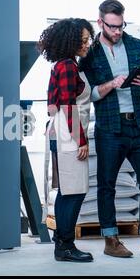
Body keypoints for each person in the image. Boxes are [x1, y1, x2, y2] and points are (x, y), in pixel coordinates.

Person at [79, 0, 140, 258]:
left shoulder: (137, 46)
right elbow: (88, 94)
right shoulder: (90, 53)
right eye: (112, 27)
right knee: (107, 186)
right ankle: (110, 239)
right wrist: (111, 84)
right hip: (110, 128)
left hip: (139, 125)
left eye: (121, 26)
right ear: (100, 23)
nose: (117, 32)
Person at [39, 18, 95, 262]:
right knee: (74, 191)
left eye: (88, 39)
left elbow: (52, 104)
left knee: (68, 190)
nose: (86, 44)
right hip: (69, 135)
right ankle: (65, 246)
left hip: (61, 132)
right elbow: (68, 106)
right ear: (70, 41)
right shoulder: (68, 67)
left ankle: (62, 244)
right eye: (82, 40)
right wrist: (80, 140)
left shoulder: (64, 65)